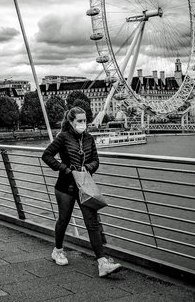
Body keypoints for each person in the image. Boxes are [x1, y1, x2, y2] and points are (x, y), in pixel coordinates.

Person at [41, 106, 122, 277]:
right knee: (64, 220)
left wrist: (87, 168)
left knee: (92, 222)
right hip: (65, 186)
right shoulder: (63, 137)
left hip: (84, 186)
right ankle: (58, 250)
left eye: (84, 120)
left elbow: (96, 160)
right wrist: (64, 169)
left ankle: (102, 263)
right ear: (71, 122)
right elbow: (47, 155)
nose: (83, 124)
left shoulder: (89, 139)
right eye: (79, 121)